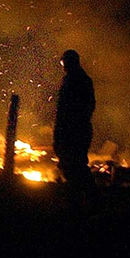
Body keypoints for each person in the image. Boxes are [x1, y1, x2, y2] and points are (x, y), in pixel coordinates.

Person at [54, 49, 95, 189]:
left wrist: (65, 130)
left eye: (64, 63)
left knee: (75, 167)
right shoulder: (80, 79)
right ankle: (81, 199)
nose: (63, 66)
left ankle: (90, 199)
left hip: (73, 131)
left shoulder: (75, 81)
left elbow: (67, 109)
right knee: (73, 167)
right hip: (76, 130)